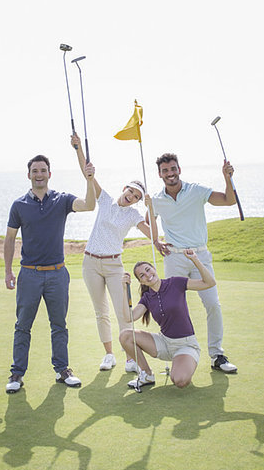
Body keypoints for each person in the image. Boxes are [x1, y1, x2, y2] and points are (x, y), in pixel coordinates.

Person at [4, 153, 96, 394]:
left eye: (43, 170)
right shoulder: (19, 205)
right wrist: (7, 271)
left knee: (59, 325)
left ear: (49, 174)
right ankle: (17, 373)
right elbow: (10, 239)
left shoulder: (62, 200)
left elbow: (89, 205)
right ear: (29, 175)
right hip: (29, 274)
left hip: (57, 273)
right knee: (23, 325)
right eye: (35, 171)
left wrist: (89, 179)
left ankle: (62, 369)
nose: (39, 174)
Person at [71, 133, 154, 373]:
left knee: (124, 314)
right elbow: (87, 173)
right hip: (90, 263)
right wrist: (78, 149)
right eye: (131, 192)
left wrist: (152, 208)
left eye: (137, 197)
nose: (132, 197)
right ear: (125, 188)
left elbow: (151, 234)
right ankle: (109, 355)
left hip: (115, 266)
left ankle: (130, 358)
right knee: (101, 312)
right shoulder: (105, 199)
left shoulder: (133, 215)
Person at [148, 153, 238, 373]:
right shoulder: (156, 199)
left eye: (173, 169)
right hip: (174, 258)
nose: (170, 174)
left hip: (200, 257)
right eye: (166, 170)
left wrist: (227, 178)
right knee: (171, 307)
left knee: (213, 304)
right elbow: (150, 219)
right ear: (160, 174)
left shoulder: (196, 191)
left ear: (179, 169)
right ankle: (175, 351)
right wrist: (155, 240)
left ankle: (217, 354)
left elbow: (229, 200)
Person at [120, 249, 216, 388]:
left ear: (154, 268)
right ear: (141, 282)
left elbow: (209, 283)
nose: (147, 275)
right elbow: (129, 317)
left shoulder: (175, 283)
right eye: (142, 275)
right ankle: (147, 374)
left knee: (180, 381)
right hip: (164, 343)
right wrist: (124, 288)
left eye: (148, 270)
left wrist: (194, 259)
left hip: (186, 345)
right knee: (125, 336)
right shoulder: (147, 298)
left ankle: (183, 362)